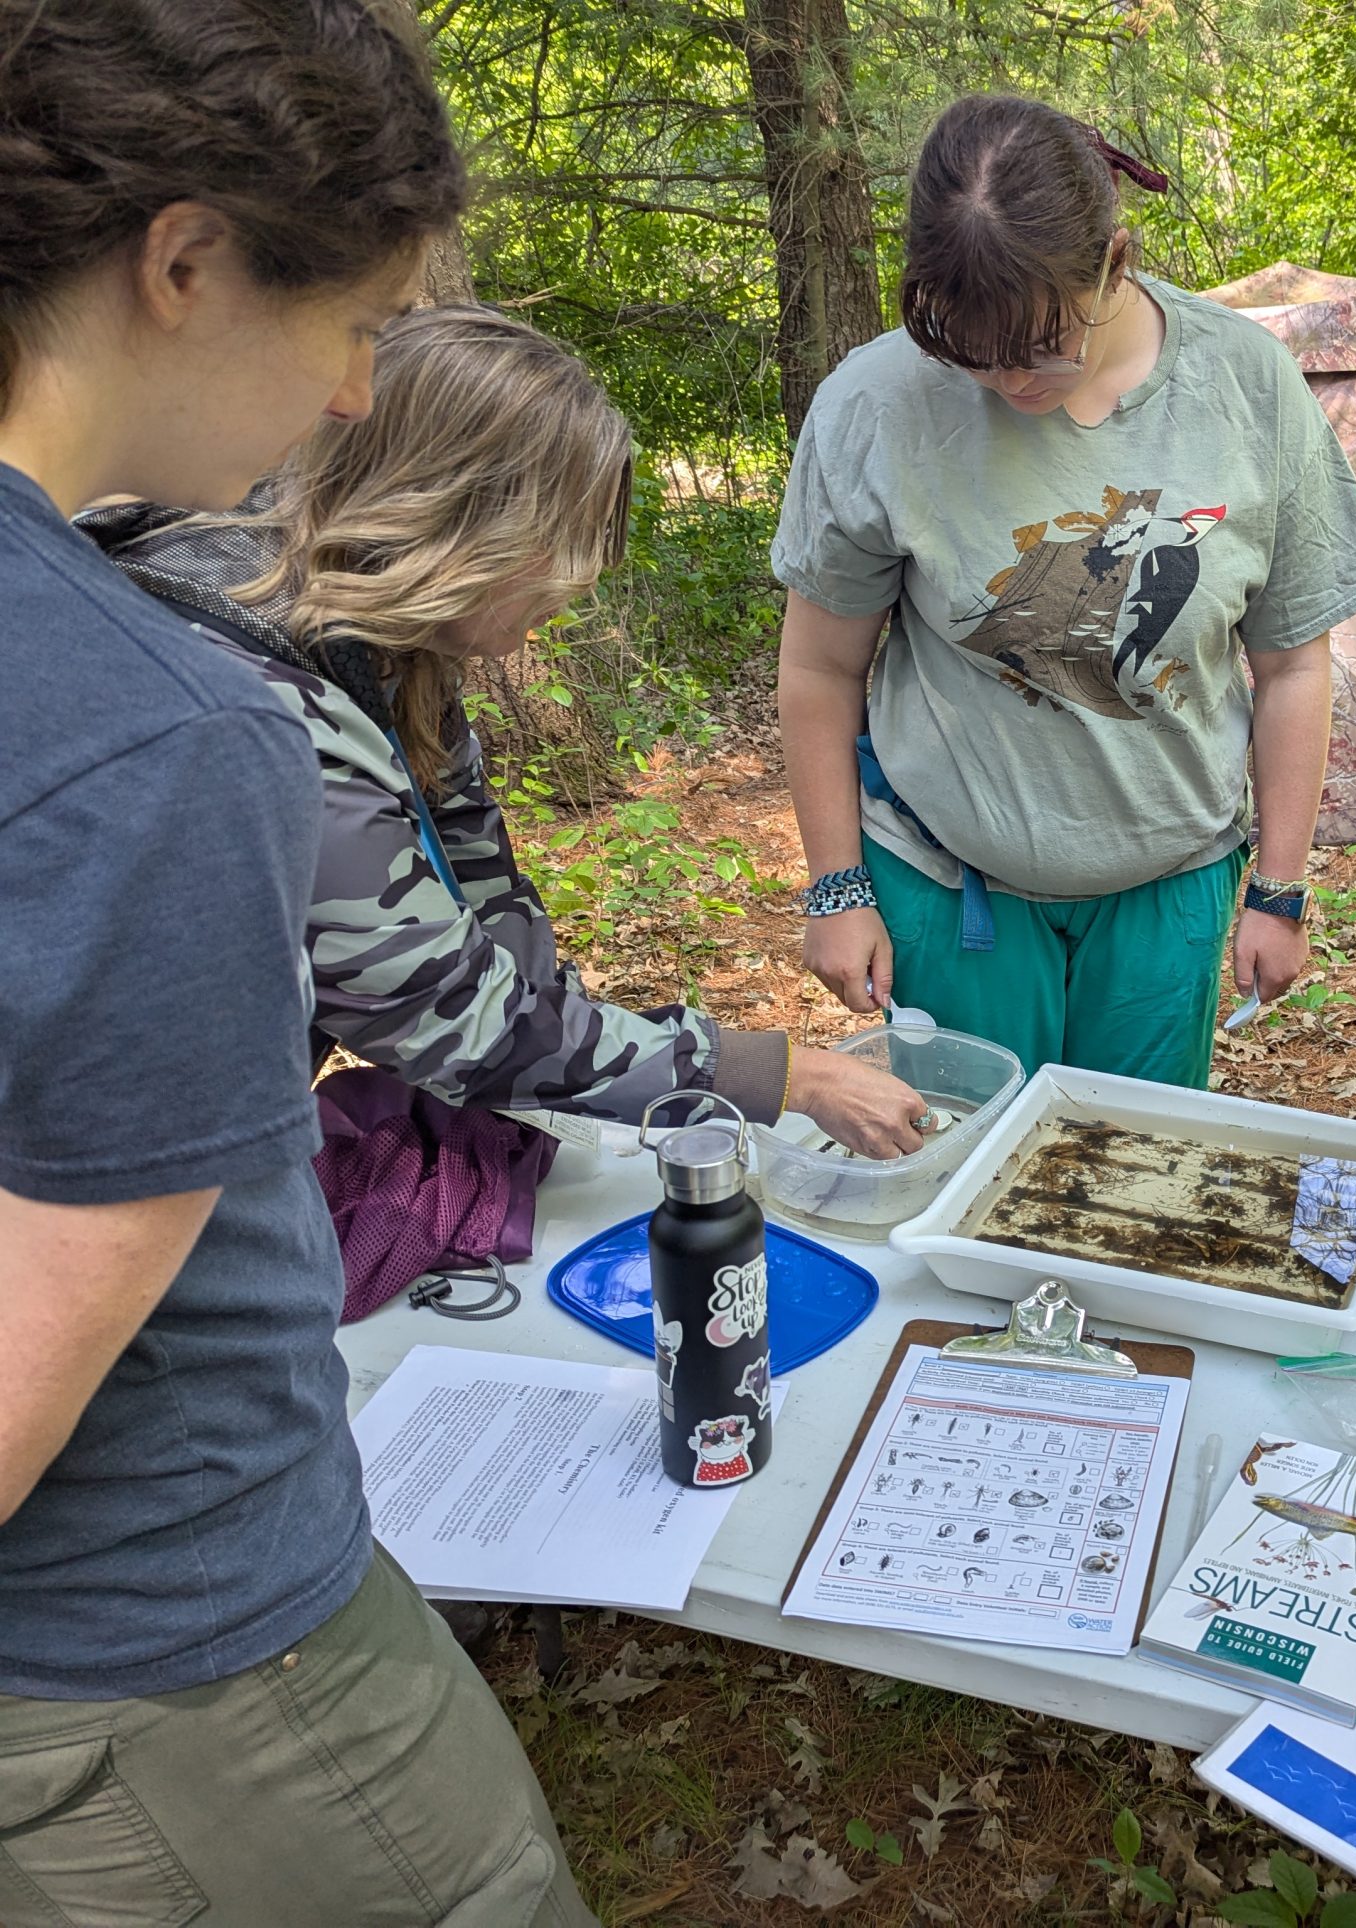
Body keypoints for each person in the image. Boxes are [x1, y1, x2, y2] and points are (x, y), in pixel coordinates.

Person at [0, 5, 594, 1921]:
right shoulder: (165, 716)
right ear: (183, 261)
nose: (355, 397)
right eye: (352, 325)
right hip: (172, 1645)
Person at [87, 303, 930, 1160]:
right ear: (459, 522)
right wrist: (787, 1078)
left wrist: (574, 1042)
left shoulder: (385, 648)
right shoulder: (261, 707)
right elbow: (453, 1018)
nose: (580, 582)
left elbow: (487, 902)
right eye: (560, 543)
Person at [773, 93, 1356, 1086]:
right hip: (949, 879)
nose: (1011, 382)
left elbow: (1290, 666)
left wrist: (1277, 886)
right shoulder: (877, 402)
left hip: (1168, 889)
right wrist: (835, 884)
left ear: (1117, 259)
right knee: (962, 1174)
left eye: (1041, 343)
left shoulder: (1243, 384)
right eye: (972, 355)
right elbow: (818, 666)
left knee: (1126, 1176)